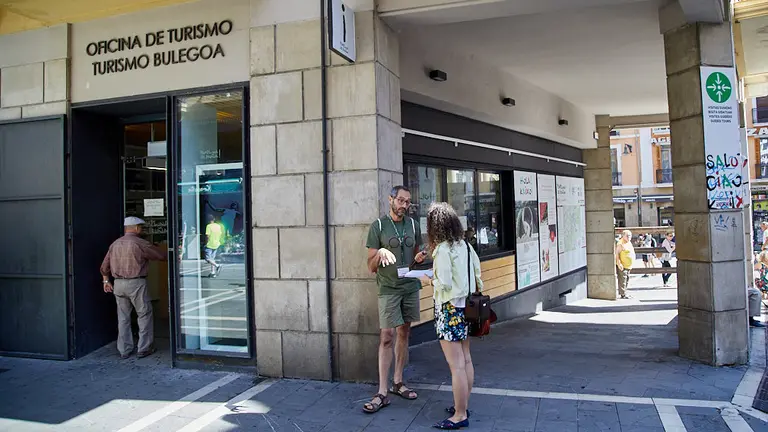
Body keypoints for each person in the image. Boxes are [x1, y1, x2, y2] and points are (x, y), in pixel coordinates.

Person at [362, 186, 428, 414]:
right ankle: (382, 390)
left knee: (404, 332)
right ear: (390, 199)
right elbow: (370, 267)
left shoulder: (413, 225)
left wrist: (419, 259)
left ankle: (398, 382)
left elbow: (414, 258)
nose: (404, 205)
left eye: (407, 202)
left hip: (409, 286)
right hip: (388, 288)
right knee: (386, 336)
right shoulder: (378, 226)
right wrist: (379, 253)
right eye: (400, 200)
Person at [418, 202, 481, 430]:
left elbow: (442, 283)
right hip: (467, 308)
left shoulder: (443, 250)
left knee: (455, 366)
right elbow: (477, 275)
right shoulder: (465, 246)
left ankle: (460, 414)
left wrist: (427, 280)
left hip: (449, 310)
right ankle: (462, 404)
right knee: (466, 359)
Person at [100, 217, 167, 359]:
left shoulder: (115, 244)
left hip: (118, 284)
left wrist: (106, 281)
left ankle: (124, 350)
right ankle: (144, 348)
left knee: (123, 317)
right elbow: (160, 255)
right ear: (136, 228)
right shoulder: (140, 243)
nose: (141, 230)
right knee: (144, 314)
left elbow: (104, 267)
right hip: (136, 283)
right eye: (141, 227)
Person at [615, 230, 635, 299]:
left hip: (628, 265)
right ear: (623, 236)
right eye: (627, 235)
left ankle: (625, 292)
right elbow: (617, 254)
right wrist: (619, 263)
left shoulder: (628, 242)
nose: (629, 237)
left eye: (630, 235)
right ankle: (623, 294)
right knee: (622, 280)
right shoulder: (620, 243)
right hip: (623, 265)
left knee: (627, 279)